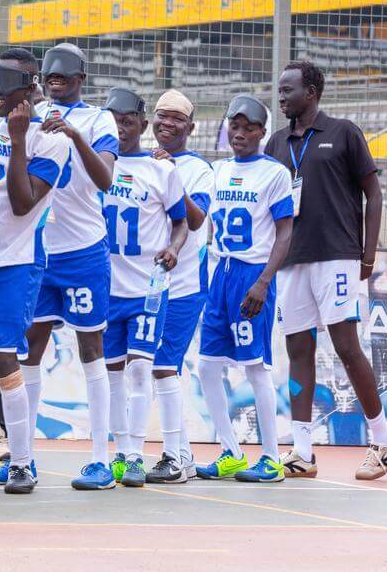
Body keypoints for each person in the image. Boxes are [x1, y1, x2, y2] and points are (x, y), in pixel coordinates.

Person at [266, 59, 387, 480]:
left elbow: (374, 197)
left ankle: (383, 438)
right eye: (279, 89)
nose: (281, 96)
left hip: (338, 255)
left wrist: (368, 254)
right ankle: (302, 452)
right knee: (298, 351)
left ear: (311, 92)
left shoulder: (344, 133)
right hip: (291, 260)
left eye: (288, 89)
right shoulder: (275, 142)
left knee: (345, 346)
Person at [0, 54, 72, 494]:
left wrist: (20, 140)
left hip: (17, 261)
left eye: (5, 85)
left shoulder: (51, 138)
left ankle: (22, 462)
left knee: (5, 357)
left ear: (29, 86)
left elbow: (24, 203)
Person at [16, 43, 119, 491]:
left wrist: (74, 135)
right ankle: (24, 457)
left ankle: (100, 459)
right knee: (30, 346)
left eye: (65, 75)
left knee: (90, 347)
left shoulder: (99, 120)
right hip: (39, 246)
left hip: (83, 248)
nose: (56, 81)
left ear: (81, 78)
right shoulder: (30, 114)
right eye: (49, 76)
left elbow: (105, 179)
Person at [196, 94, 294, 484]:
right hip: (221, 270)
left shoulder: (274, 173)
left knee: (255, 367)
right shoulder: (218, 170)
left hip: (252, 273)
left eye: (248, 126)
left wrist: (264, 280)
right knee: (206, 366)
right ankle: (231, 450)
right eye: (234, 126)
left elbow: (285, 231)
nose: (239, 133)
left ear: (261, 131)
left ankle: (271, 457)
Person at [101, 87, 188, 487]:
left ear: (143, 125)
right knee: (111, 374)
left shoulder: (161, 169)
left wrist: (172, 247)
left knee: (140, 370)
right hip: (106, 287)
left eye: (128, 121)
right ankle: (118, 453)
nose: (120, 128)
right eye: (114, 121)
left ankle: (135, 454)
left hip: (148, 288)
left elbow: (182, 221)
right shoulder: (97, 164)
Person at [147, 90, 213, 484]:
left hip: (185, 285)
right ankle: (177, 453)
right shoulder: (140, 160)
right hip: (147, 285)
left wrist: (171, 173)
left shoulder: (198, 168)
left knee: (163, 366)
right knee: (144, 367)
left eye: (176, 119)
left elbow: (197, 217)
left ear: (190, 127)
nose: (167, 124)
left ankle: (176, 456)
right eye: (161, 116)